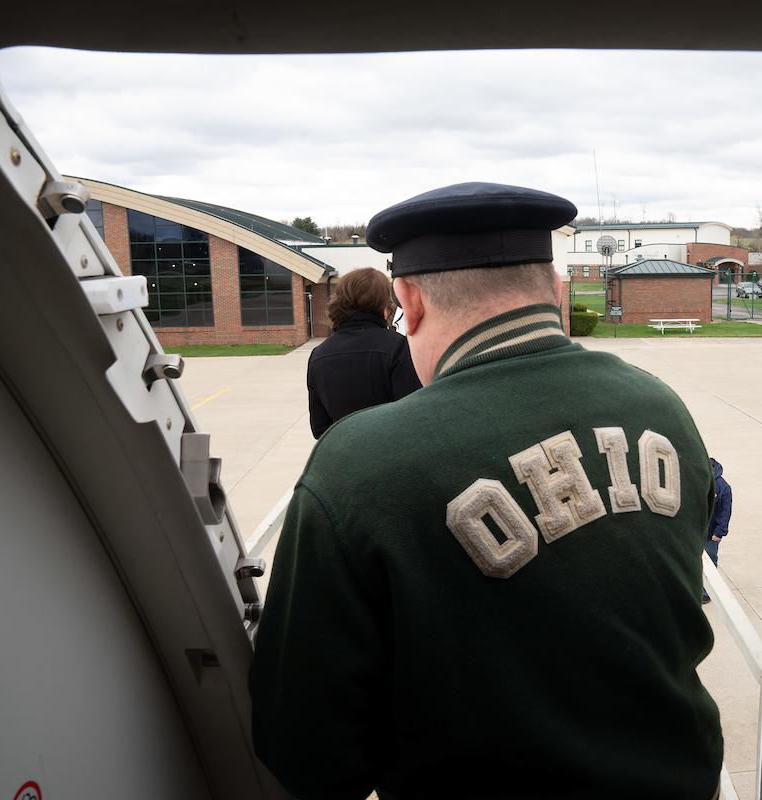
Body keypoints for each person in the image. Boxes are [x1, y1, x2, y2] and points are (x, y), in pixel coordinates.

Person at [250, 182, 723, 800]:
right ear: (555, 292)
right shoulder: (658, 404)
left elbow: (307, 753)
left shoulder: (360, 463)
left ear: (409, 302)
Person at [306, 267, 421, 438]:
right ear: (383, 307)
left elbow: (319, 428)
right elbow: (414, 416)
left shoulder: (318, 355)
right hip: (392, 454)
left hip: (342, 456)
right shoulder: (398, 347)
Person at [701, 457, 732, 603]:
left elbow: (725, 512)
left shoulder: (723, 487)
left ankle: (706, 593)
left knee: (710, 561)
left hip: (711, 534)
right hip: (696, 531)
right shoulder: (697, 480)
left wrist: (720, 532)